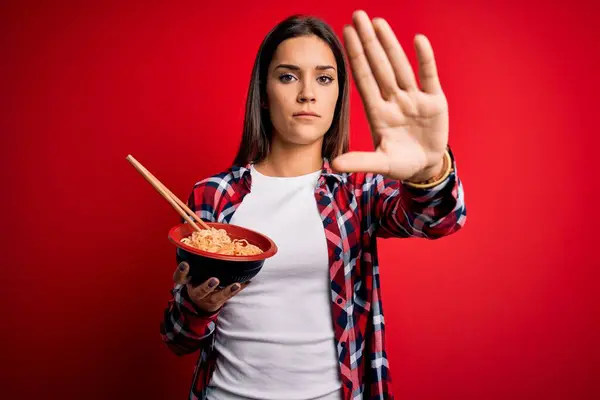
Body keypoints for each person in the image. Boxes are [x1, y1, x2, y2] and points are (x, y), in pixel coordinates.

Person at [160, 10, 466, 400]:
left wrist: (430, 168)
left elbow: (440, 220)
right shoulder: (212, 195)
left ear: (338, 95)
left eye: (324, 78)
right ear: (265, 94)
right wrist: (197, 306)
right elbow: (177, 337)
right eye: (288, 76)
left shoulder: (357, 192)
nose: (308, 92)